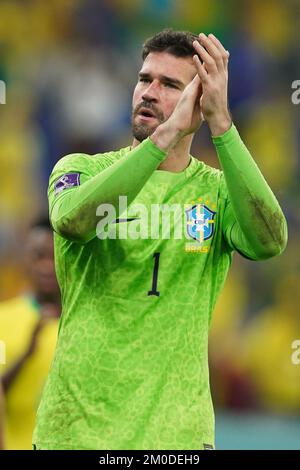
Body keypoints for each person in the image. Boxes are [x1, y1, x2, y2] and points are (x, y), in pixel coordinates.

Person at [33, 29, 287, 450]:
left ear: (200, 100)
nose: (149, 92)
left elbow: (269, 241)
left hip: (177, 438)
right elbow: (74, 220)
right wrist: (163, 139)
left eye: (169, 85)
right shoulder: (80, 169)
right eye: (144, 79)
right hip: (75, 432)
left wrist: (221, 124)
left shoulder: (218, 193)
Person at [0, 218, 60, 449]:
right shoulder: (2, 320)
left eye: (54, 257)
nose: (47, 266)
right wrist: (26, 354)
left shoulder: (85, 323)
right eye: (39, 256)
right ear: (25, 259)